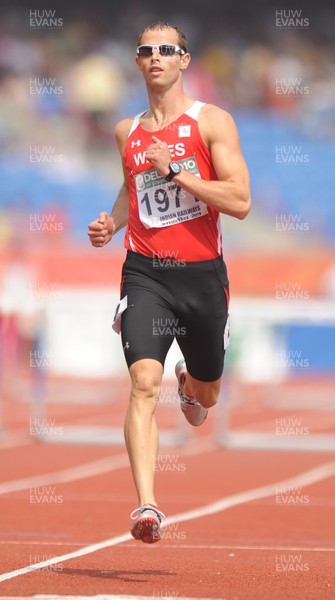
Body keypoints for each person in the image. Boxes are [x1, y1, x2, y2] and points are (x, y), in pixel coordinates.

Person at [88, 21, 251, 544]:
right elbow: (131, 184)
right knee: (141, 385)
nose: (154, 56)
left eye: (166, 49)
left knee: (205, 402)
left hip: (202, 277)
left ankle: (191, 382)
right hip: (146, 271)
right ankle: (147, 506)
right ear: (137, 63)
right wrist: (113, 223)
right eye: (145, 50)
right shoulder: (125, 132)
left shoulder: (212, 122)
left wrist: (177, 171)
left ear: (184, 60)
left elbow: (240, 202)